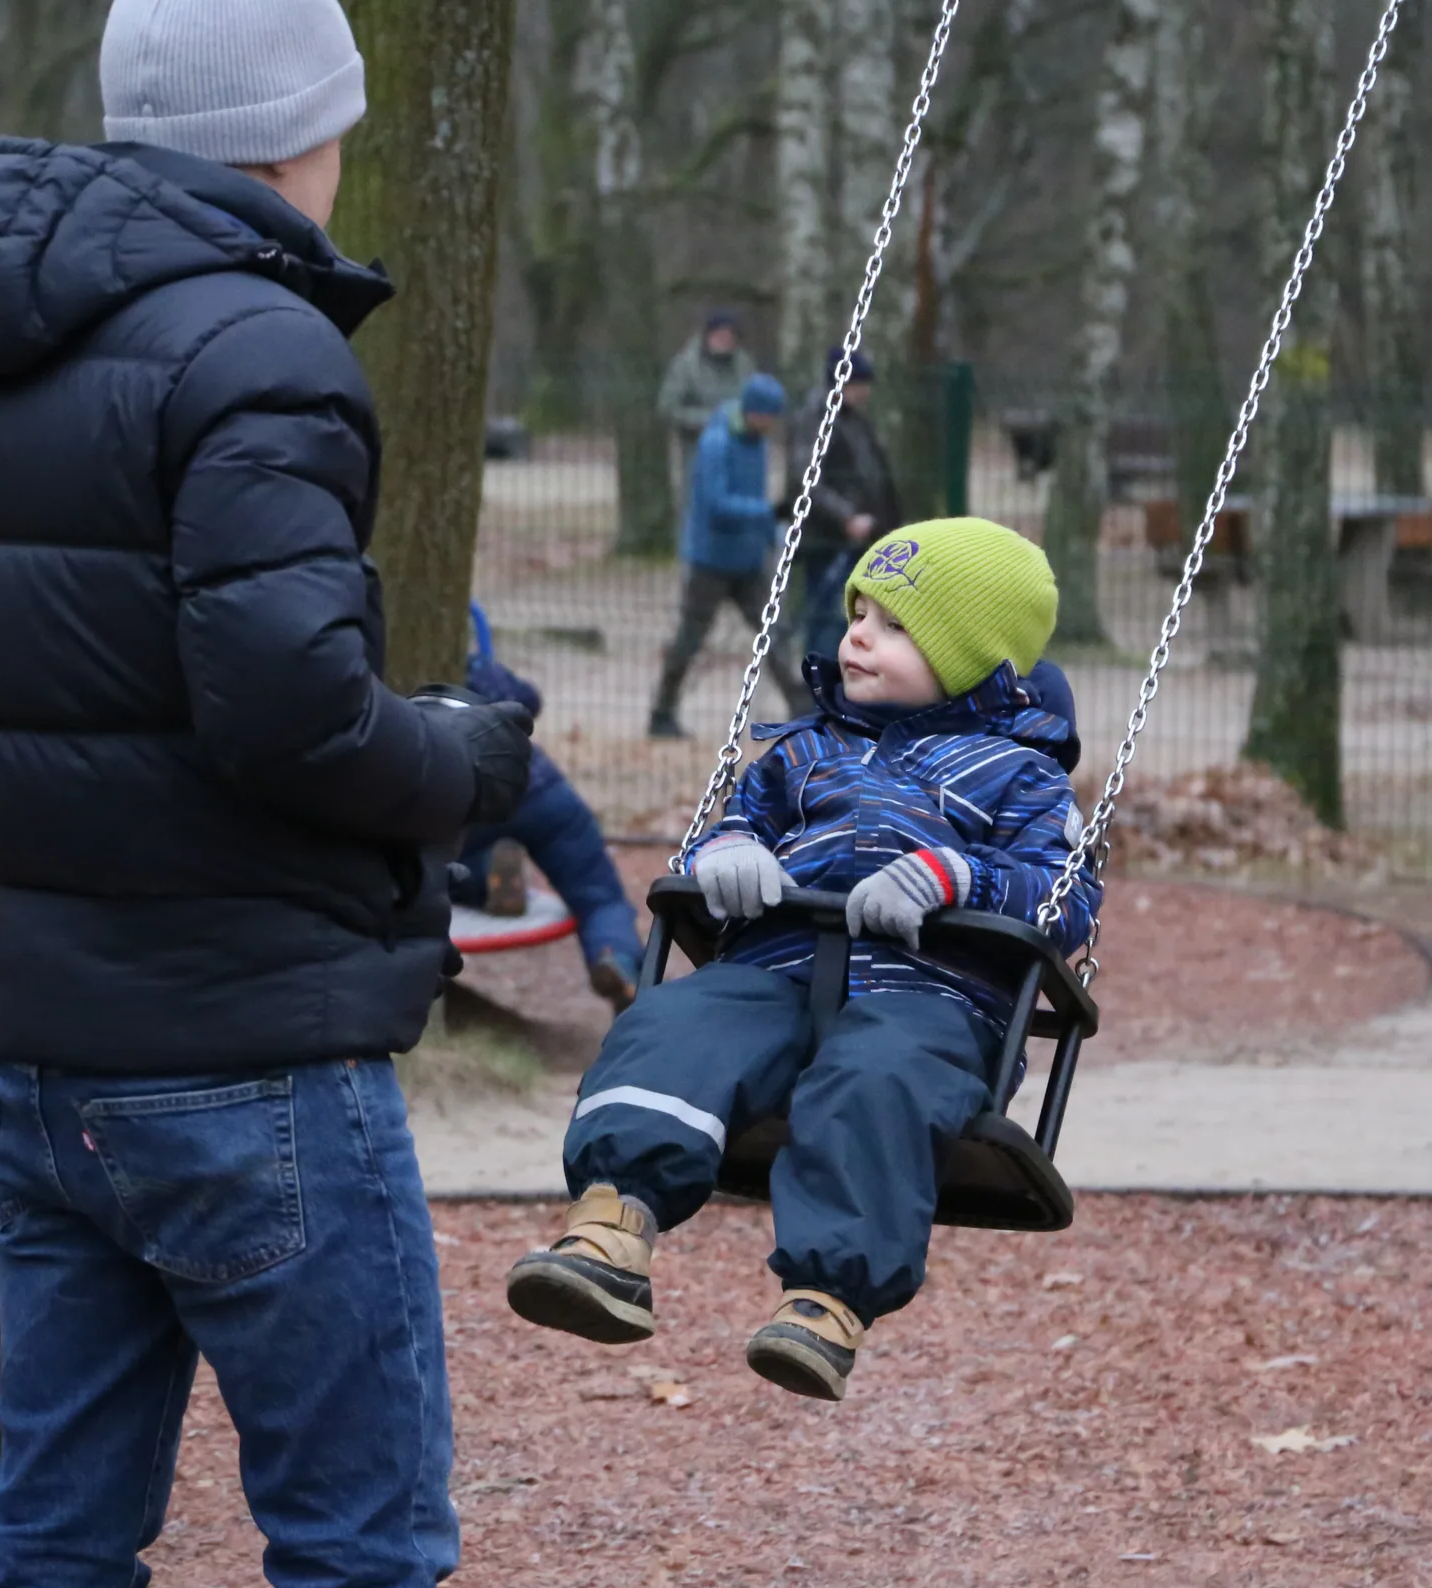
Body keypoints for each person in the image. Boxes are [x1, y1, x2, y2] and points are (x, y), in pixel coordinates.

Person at [0, 1, 534, 1588]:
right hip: (249, 1049)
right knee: (359, 1548)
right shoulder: (260, 348)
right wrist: (464, 758)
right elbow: (290, 719)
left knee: (48, 1531)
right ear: (296, 131)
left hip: (45, 1048)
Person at [507, 518, 1096, 1402]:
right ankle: (611, 1225)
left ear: (974, 654)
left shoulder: (1022, 777)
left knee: (879, 1076)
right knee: (673, 1021)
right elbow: (744, 825)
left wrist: (954, 873)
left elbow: (1066, 897)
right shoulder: (802, 752)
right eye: (858, 612)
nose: (857, 634)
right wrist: (729, 853)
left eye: (895, 625)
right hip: (774, 969)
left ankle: (826, 1299)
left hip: (927, 998)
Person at [457, 606, 644, 1011]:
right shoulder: (473, 669)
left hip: (464, 805)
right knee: (598, 891)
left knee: (443, 865)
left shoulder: (392, 671)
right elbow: (528, 699)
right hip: (537, 788)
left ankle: (487, 874)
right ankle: (616, 959)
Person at [650, 372, 810, 737]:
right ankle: (662, 711)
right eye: (767, 417)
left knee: (772, 633)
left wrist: (770, 535)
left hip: (748, 559)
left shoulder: (758, 443)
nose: (771, 425)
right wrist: (768, 512)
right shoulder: (716, 443)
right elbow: (717, 503)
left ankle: (801, 706)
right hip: (711, 560)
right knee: (690, 639)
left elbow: (752, 496)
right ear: (753, 412)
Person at [786, 345, 902, 667]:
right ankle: (819, 690)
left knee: (848, 617)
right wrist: (846, 516)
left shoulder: (854, 420)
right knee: (827, 617)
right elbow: (805, 476)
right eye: (860, 385)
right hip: (829, 538)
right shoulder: (817, 419)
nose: (865, 392)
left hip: (859, 537)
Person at [656, 310, 756, 490]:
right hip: (698, 449)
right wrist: (711, 420)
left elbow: (754, 398)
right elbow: (668, 408)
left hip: (739, 448)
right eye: (720, 335)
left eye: (729, 336)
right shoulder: (686, 365)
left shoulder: (744, 364)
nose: (725, 341)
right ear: (708, 336)